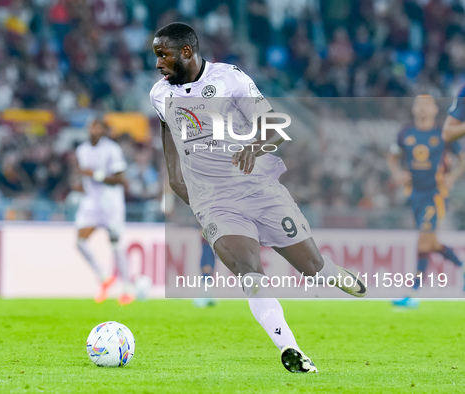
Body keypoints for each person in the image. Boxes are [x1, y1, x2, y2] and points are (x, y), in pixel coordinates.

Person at [150, 22, 366, 373]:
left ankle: (329, 271)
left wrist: (254, 146)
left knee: (312, 268)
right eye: (156, 56)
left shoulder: (229, 79)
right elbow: (171, 151)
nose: (158, 64)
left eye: (163, 55)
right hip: (213, 201)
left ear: (186, 51)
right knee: (249, 273)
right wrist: (191, 199)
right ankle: (291, 350)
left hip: (257, 188)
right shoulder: (160, 95)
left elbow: (274, 126)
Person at [388, 95, 465, 308]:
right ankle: (462, 268)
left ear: (434, 110)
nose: (422, 109)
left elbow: (462, 159)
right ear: (414, 109)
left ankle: (412, 292)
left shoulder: (443, 133)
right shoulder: (405, 133)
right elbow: (392, 156)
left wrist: (452, 177)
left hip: (435, 194)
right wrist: (397, 173)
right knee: (429, 243)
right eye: (418, 105)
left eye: (426, 105)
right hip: (414, 195)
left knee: (423, 242)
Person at [75, 119, 134, 305]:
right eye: (92, 126)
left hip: (110, 202)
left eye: (98, 126)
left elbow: (121, 180)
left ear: (104, 131)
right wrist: (80, 185)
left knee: (115, 243)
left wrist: (95, 176)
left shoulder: (112, 149)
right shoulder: (81, 150)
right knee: (80, 242)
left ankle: (127, 288)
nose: (93, 129)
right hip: (91, 202)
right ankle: (104, 277)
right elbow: (82, 175)